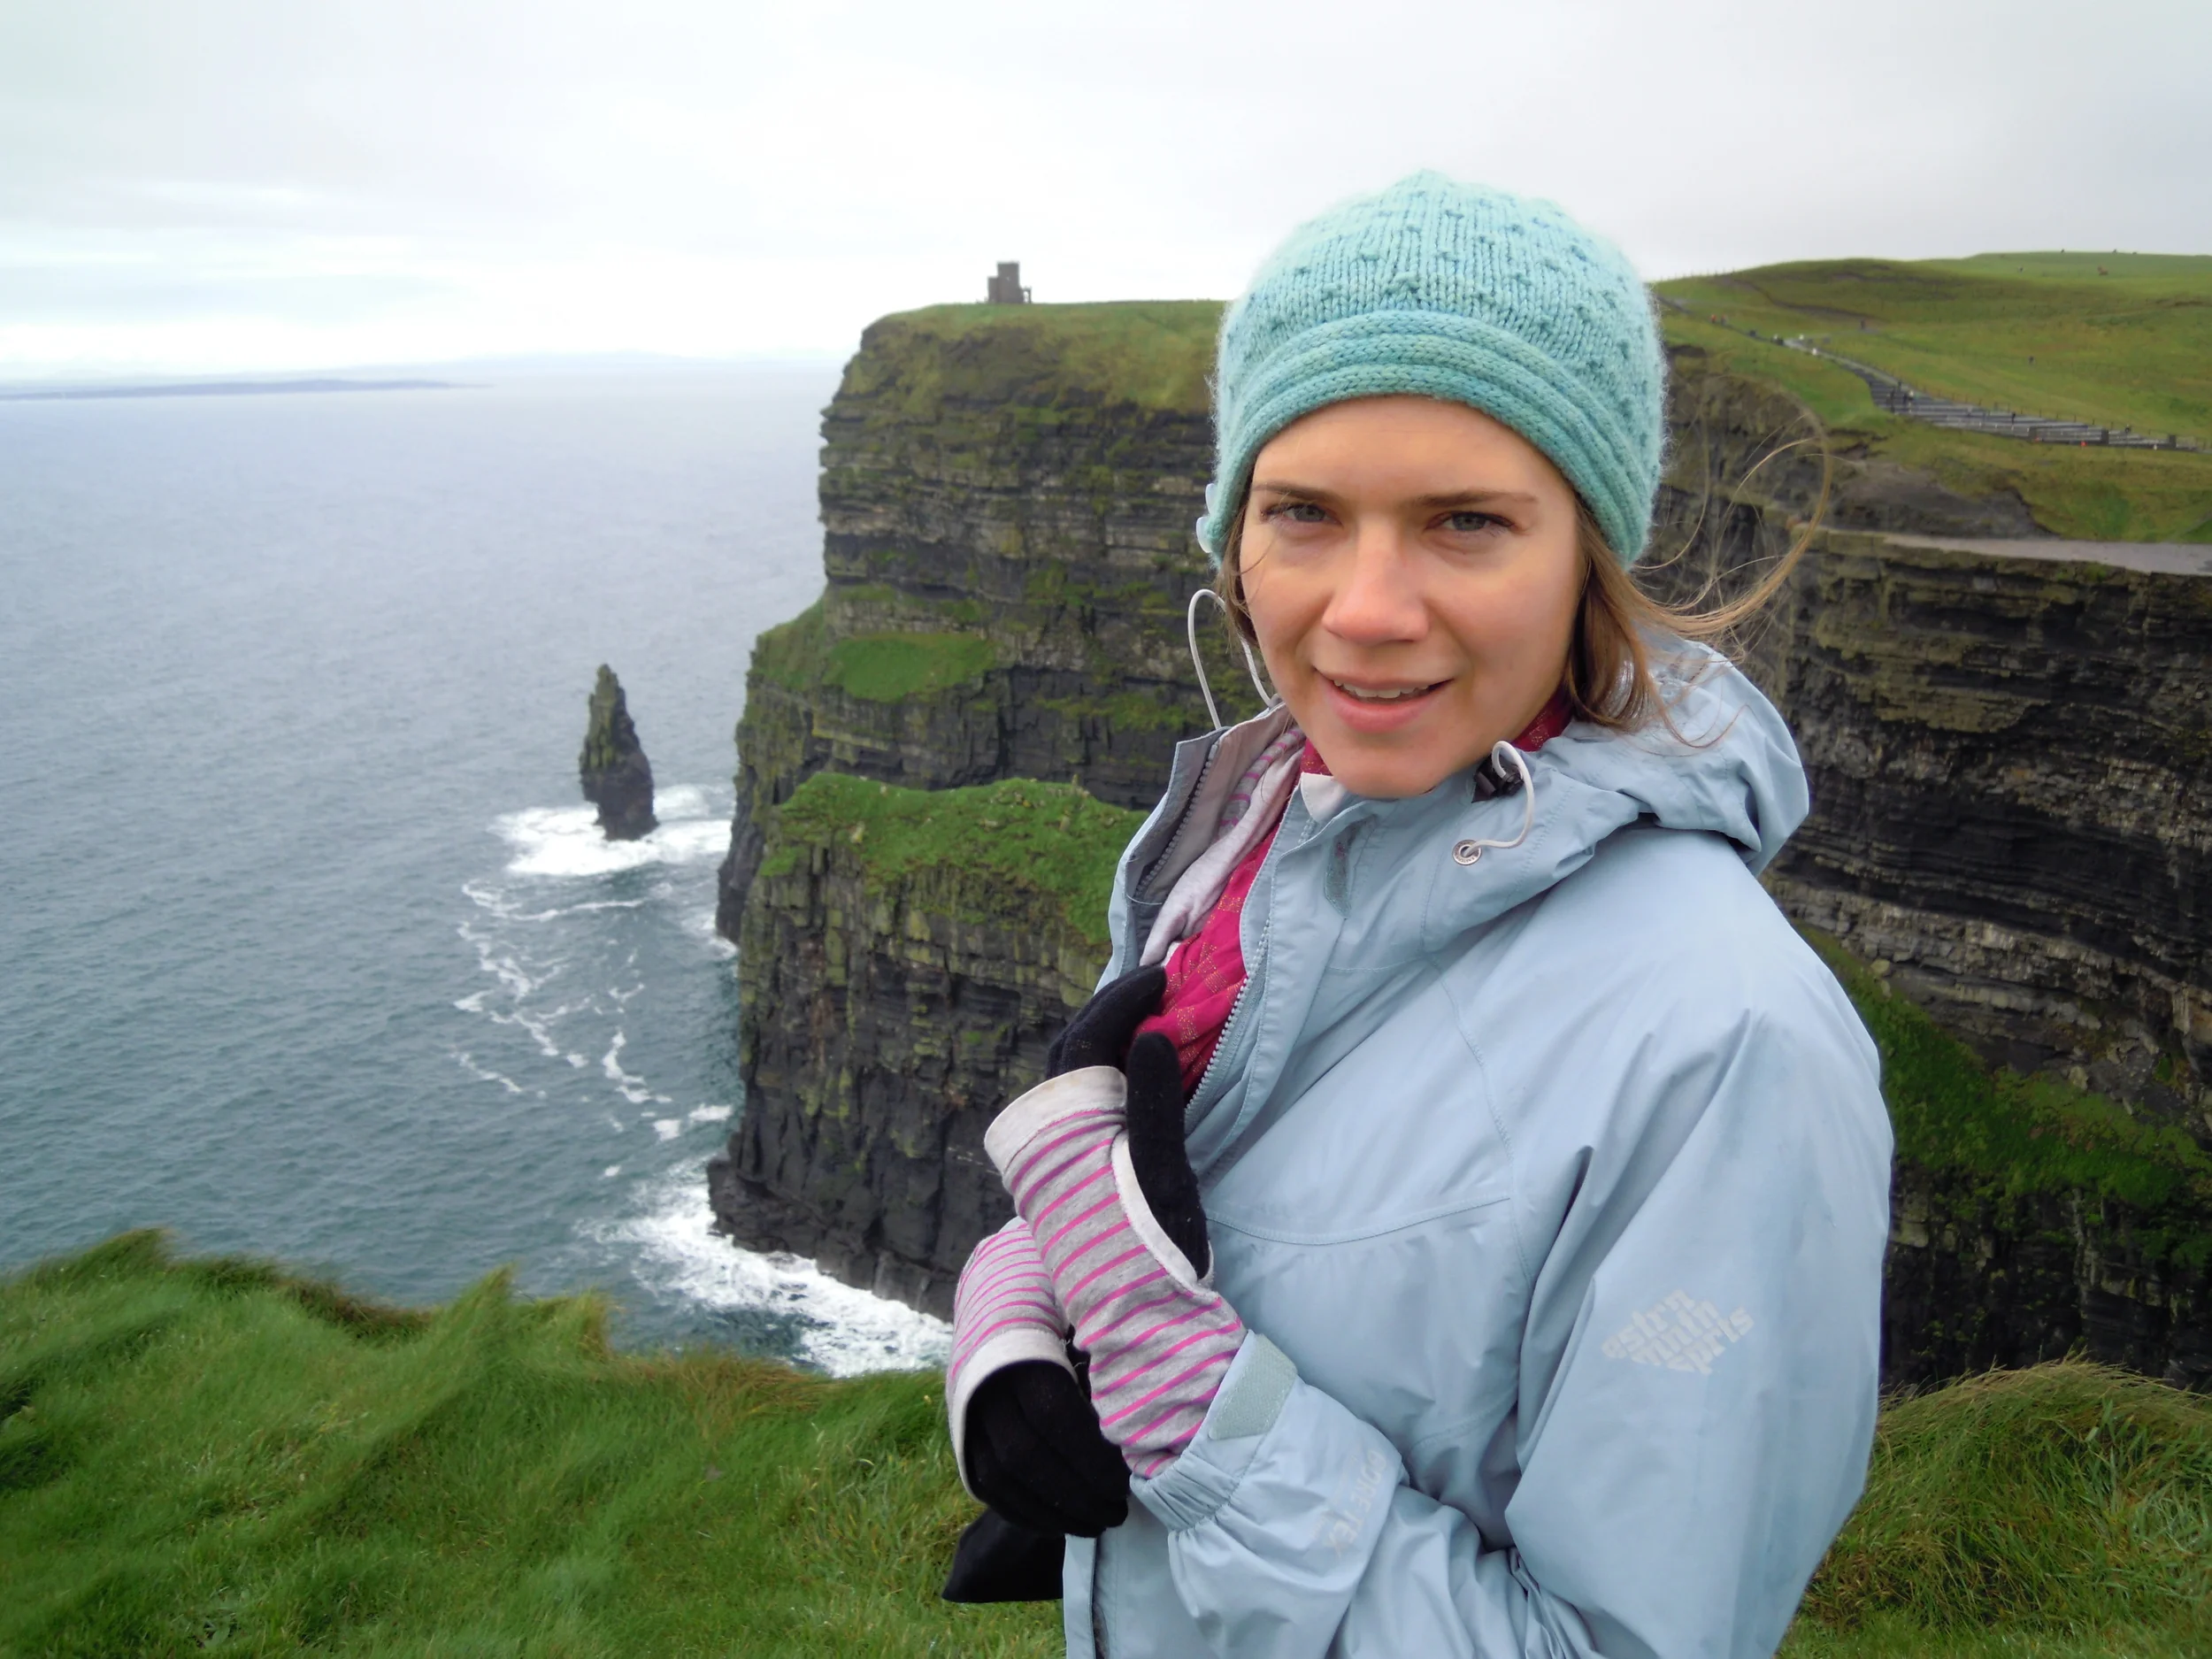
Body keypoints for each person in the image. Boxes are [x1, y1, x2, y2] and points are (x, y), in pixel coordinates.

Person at [941, 172, 1891, 1658]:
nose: (1369, 608)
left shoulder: (1731, 1052)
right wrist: (1025, 1306)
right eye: (1304, 513)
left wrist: (1206, 1423)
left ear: (1587, 552)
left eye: (1465, 522)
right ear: (1232, 539)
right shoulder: (1259, 840)